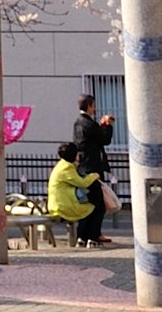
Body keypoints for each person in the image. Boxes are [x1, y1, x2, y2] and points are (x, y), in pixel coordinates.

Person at [69, 94, 114, 247]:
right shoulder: (89, 123)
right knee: (98, 205)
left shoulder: (78, 123)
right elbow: (104, 139)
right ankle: (93, 237)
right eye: (93, 105)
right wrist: (107, 125)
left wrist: (100, 126)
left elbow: (93, 138)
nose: (94, 108)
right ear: (89, 105)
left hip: (82, 168)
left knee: (87, 203)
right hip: (93, 169)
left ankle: (82, 236)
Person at [46, 142, 100, 245]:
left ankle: (83, 238)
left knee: (89, 206)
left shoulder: (62, 165)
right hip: (63, 206)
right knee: (92, 208)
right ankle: (88, 238)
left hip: (59, 204)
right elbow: (82, 183)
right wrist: (94, 176)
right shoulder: (67, 168)